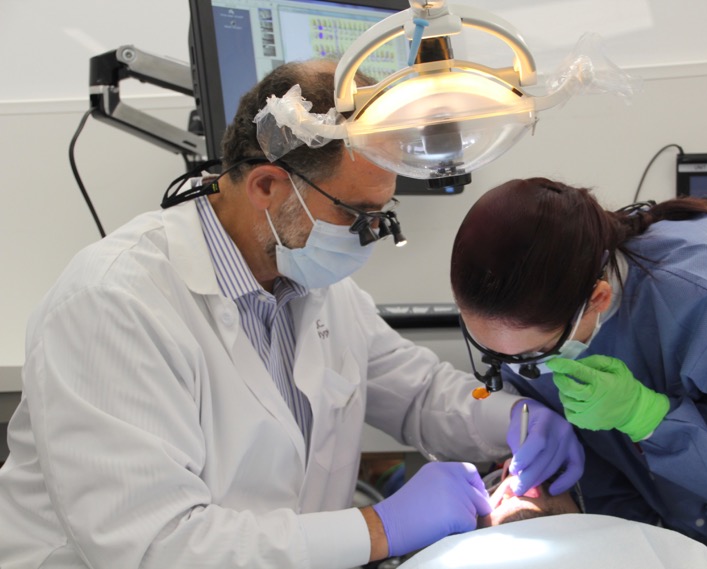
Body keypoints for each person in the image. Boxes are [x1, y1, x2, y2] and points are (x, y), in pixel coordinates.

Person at [0, 63, 584, 569]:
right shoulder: (113, 305)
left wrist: (514, 419)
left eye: (383, 214)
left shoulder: (310, 282)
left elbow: (421, 393)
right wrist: (379, 528)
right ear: (266, 185)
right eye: (356, 214)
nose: (370, 236)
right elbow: (157, 548)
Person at [449, 177, 707, 569]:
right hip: (693, 522)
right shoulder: (518, 317)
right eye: (497, 353)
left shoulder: (705, 292)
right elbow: (609, 497)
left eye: (535, 353)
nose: (524, 369)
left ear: (598, 298)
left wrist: (646, 416)